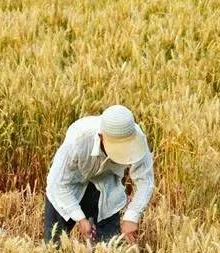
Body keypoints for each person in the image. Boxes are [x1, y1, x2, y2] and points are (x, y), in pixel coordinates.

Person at [44, 105, 155, 245]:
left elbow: (146, 181)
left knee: (109, 250)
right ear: (101, 136)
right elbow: (57, 183)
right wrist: (80, 218)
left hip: (107, 189)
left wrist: (132, 216)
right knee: (52, 247)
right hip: (68, 188)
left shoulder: (136, 138)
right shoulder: (78, 139)